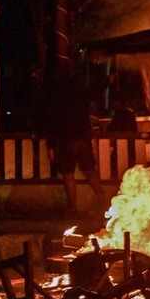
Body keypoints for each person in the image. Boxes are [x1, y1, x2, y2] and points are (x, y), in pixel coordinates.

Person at [41, 67, 111, 215]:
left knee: (68, 174)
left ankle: (72, 206)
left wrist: (51, 145)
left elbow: (53, 123)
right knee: (89, 170)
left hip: (67, 139)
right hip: (83, 138)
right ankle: (102, 201)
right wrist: (109, 79)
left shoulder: (57, 99)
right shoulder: (81, 95)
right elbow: (96, 88)